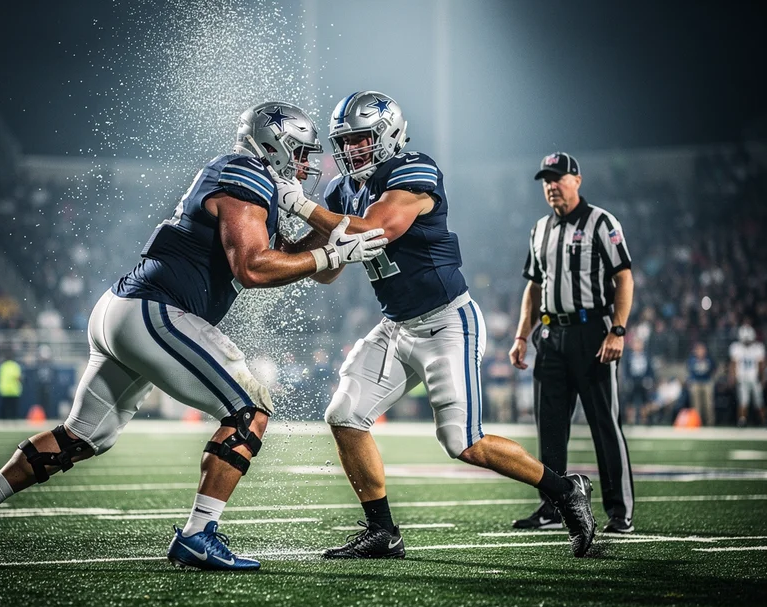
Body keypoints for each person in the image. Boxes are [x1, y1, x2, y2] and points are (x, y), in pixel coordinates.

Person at [0, 101, 387, 570]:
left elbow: (297, 262)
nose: (303, 165)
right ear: (273, 144)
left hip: (126, 309)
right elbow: (253, 268)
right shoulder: (246, 174)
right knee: (250, 408)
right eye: (297, 152)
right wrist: (329, 256)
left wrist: (326, 238)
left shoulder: (248, 179)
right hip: (155, 309)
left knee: (84, 435)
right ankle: (199, 534)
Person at [270, 91, 596, 559]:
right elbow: (326, 269)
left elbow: (380, 230)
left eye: (362, 140)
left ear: (388, 135)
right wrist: (282, 230)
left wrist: (300, 205)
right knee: (344, 415)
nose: (353, 151)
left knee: (463, 442)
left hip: (447, 322)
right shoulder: (343, 190)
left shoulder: (413, 172)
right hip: (395, 325)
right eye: (347, 142)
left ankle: (566, 490)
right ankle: (383, 530)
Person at [509, 152, 636, 535]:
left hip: (591, 333)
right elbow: (533, 286)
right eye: (547, 180)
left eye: (558, 178)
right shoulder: (539, 229)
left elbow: (624, 278)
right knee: (549, 426)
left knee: (603, 423)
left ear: (576, 181)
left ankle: (619, 512)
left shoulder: (601, 221)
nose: (551, 186)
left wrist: (617, 330)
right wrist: (520, 335)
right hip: (550, 334)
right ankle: (552, 507)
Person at [729, 324, 765, 427]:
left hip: (754, 378)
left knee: (759, 401)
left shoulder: (758, 347)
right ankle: (742, 420)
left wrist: (762, 378)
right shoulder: (736, 347)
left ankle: (763, 420)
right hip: (742, 378)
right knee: (743, 401)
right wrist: (733, 376)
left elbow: (761, 364)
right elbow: (734, 364)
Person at [686, 341, 716, 427]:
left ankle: (710, 423)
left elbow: (714, 369)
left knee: (708, 404)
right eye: (698, 350)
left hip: (707, 381)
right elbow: (690, 371)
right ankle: (697, 422)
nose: (700, 352)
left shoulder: (709, 359)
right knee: (696, 404)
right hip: (696, 382)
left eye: (702, 349)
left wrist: (710, 378)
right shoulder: (692, 359)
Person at [0, 352, 23, 420]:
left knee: (5, 408)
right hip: (14, 390)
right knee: (14, 409)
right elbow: (18, 378)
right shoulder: (15, 366)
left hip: (4, 390)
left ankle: (4, 421)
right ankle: (14, 421)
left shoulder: (3, 366)